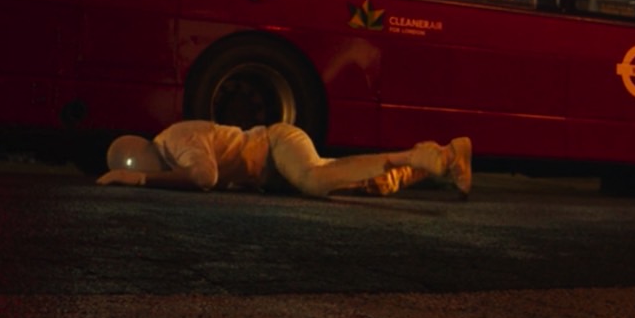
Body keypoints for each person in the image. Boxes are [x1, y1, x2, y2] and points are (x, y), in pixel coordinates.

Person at [99, 121, 473, 199]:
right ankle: (450, 156)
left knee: (314, 179)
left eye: (138, 170)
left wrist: (140, 181)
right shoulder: (168, 150)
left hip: (276, 143)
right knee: (360, 183)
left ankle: (419, 154)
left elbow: (204, 177)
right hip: (269, 169)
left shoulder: (177, 140)